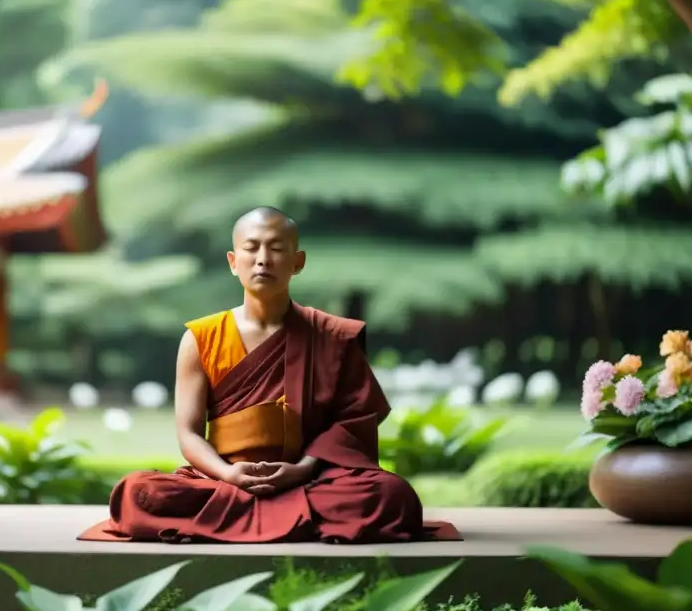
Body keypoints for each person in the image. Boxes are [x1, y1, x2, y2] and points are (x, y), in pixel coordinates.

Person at [78, 207, 460, 544]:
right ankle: (296, 520)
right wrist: (229, 474)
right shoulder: (201, 339)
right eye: (252, 247)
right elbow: (189, 433)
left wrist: (302, 469)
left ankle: (243, 519)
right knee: (138, 493)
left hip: (310, 479)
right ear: (232, 260)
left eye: (276, 248)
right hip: (223, 479)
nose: (263, 259)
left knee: (392, 496)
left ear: (298, 261)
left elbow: (353, 421)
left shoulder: (329, 336)